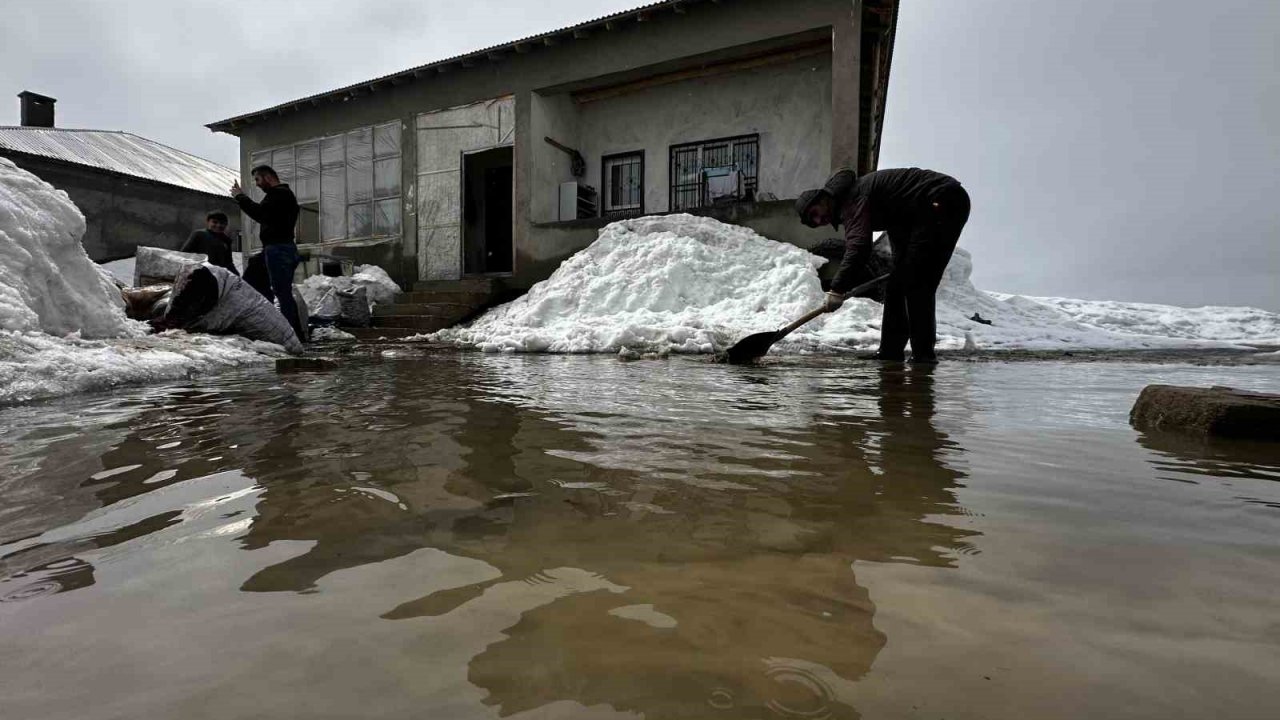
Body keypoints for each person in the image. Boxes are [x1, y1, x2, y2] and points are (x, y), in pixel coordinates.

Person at [796, 167, 970, 363]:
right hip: (917, 214)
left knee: (917, 283)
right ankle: (890, 352)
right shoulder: (854, 198)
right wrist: (899, 264)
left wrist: (837, 289)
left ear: (821, 199)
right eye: (815, 222)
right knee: (896, 285)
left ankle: (923, 357)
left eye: (815, 213)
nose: (820, 220)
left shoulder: (851, 199)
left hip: (942, 200)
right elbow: (897, 221)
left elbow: (859, 247)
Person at [231, 165, 303, 341]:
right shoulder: (279, 196)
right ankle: (265, 325)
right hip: (274, 249)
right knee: (253, 279)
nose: (256, 184)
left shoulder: (279, 195)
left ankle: (294, 336)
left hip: (279, 249)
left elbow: (261, 214)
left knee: (282, 293)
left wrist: (240, 197)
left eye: (257, 179)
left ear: (268, 177)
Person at [181, 211, 239, 276]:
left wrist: (236, 275)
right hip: (199, 274)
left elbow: (228, 262)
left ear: (226, 225)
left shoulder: (226, 240)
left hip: (217, 277)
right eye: (215, 222)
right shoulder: (199, 234)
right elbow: (184, 253)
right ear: (208, 222)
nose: (218, 225)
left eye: (222, 223)